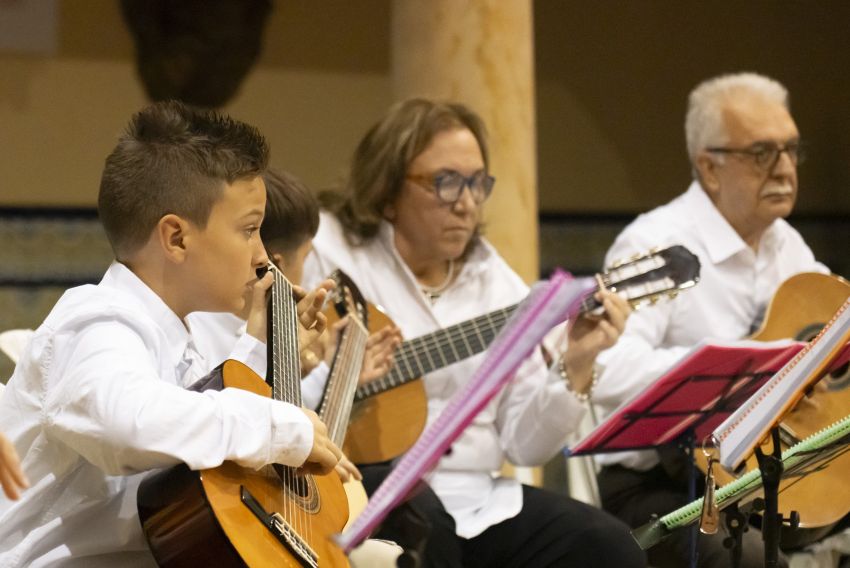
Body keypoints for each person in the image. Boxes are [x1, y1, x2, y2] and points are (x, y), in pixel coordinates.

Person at [302, 98, 646, 567]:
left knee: (608, 545)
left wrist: (577, 361)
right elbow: (272, 379)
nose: (466, 202)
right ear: (387, 191)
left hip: (480, 498)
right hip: (356, 484)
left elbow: (526, 444)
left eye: (477, 183)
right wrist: (341, 379)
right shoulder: (329, 253)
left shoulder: (498, 285)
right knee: (428, 529)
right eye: (445, 182)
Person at [0, 101, 342, 566]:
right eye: (250, 230)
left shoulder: (182, 340)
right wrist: (276, 429)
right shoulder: (97, 320)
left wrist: (261, 345)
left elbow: (197, 442)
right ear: (176, 238)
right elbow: (128, 419)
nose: (263, 257)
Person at [592, 72, 828, 568]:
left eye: (791, 150)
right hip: (661, 486)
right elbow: (604, 371)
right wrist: (735, 367)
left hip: (773, 475)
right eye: (763, 153)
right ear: (710, 167)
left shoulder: (789, 245)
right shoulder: (655, 245)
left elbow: (831, 336)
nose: (785, 169)